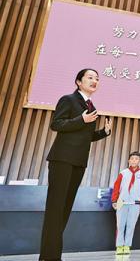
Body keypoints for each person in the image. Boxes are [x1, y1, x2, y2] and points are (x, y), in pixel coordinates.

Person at [39, 68, 112, 261]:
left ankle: (50, 254)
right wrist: (81, 119)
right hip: (62, 160)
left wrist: (103, 132)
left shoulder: (91, 106)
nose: (94, 80)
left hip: (78, 162)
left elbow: (85, 136)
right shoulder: (68, 100)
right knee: (56, 208)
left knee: (64, 208)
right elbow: (57, 124)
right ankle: (49, 256)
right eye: (90, 77)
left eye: (97, 78)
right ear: (78, 82)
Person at [111, 151, 140, 255]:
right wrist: (114, 200)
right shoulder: (123, 173)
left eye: (136, 159)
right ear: (129, 160)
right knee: (120, 225)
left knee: (131, 225)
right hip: (121, 202)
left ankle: (127, 246)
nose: (134, 160)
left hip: (135, 203)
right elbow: (116, 187)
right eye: (132, 158)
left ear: (139, 161)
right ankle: (119, 246)